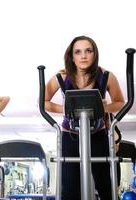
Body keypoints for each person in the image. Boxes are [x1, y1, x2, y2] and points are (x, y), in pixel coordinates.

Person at [44, 35, 125, 200]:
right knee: (70, 187)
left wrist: (104, 107)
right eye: (78, 52)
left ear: (95, 54)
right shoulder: (62, 77)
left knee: (105, 185)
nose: (83, 56)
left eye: (88, 51)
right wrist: (65, 109)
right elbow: (43, 102)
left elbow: (120, 102)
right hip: (70, 135)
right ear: (72, 57)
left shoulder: (106, 76)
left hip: (97, 134)